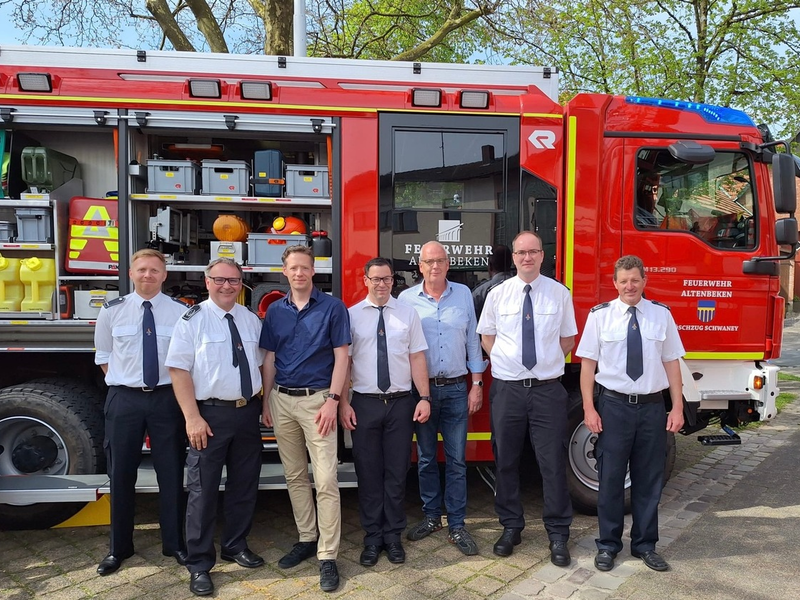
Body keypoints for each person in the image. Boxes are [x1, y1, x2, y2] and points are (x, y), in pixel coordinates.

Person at [575, 255, 685, 573]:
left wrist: (676, 406)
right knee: (610, 479)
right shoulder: (600, 317)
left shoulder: (660, 316)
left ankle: (645, 545)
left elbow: (672, 363)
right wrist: (588, 407)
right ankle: (608, 545)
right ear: (615, 283)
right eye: (623, 281)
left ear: (644, 281)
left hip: (652, 407)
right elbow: (587, 366)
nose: (629, 286)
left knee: (649, 479)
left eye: (635, 280)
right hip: (614, 407)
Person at [166, 258, 265, 597]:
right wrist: (192, 418)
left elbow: (263, 365)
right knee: (203, 491)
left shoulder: (251, 320)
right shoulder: (191, 320)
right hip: (209, 416)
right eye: (220, 280)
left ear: (242, 284)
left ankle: (235, 546)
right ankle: (199, 563)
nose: (227, 286)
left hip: (246, 413)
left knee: (243, 485)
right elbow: (178, 371)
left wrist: (263, 406)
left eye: (234, 280)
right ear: (207, 282)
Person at [476, 231, 577, 566]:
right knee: (505, 460)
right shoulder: (497, 294)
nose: (527, 258)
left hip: (547, 390)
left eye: (533, 252)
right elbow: (487, 336)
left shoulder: (559, 294)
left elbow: (567, 339)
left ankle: (559, 534)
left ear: (542, 256)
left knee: (552, 464)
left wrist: (544, 364)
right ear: (514, 257)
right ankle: (511, 526)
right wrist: (508, 363)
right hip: (508, 390)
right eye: (521, 253)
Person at [260, 245, 350, 593]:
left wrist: (333, 400)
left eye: (305, 268)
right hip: (282, 401)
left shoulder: (332, 308)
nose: (299, 273)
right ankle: (306, 538)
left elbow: (342, 358)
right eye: (293, 268)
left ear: (314, 271)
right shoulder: (275, 313)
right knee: (295, 475)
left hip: (318, 404)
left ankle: (328, 556)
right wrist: (267, 401)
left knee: (326, 479)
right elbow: (269, 359)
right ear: (285, 272)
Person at [94, 248, 188, 576]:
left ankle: (174, 544)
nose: (148, 275)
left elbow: (185, 360)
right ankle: (119, 548)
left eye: (154, 271)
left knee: (172, 472)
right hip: (124, 399)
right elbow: (104, 355)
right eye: (142, 270)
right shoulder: (111, 311)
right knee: (120, 474)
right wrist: (125, 382)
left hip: (166, 399)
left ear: (164, 275)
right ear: (131, 273)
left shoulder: (179, 313)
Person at [340, 257, 431, 567]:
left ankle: (392, 536)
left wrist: (425, 397)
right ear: (365, 280)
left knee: (395, 473)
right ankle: (372, 538)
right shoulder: (350, 316)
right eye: (375, 279)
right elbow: (344, 362)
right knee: (367, 473)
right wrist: (342, 402)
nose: (381, 284)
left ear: (394, 281)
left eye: (387, 279)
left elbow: (417, 357)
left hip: (400, 403)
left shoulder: (408, 314)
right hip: (364, 403)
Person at [397, 241, 487, 555]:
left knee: (457, 460)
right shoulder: (406, 299)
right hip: (421, 393)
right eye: (428, 261)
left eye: (440, 260)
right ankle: (432, 517)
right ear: (419, 266)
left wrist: (477, 383)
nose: (435, 266)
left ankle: (458, 525)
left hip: (455, 388)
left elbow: (473, 340)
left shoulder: (463, 294)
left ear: (448, 264)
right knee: (424, 459)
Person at [472, 244, 513, 319]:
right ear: (511, 264)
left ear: (490, 266)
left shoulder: (480, 293)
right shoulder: (523, 287)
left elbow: (472, 320)